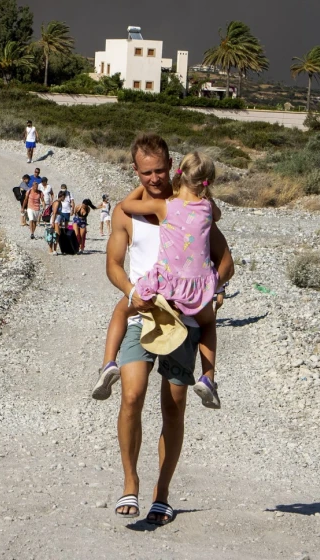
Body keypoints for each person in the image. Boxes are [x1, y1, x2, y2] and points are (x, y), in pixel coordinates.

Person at [102, 134, 233, 524]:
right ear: (136, 171)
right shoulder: (128, 213)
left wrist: (214, 290)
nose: (155, 178)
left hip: (185, 321)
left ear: (171, 164)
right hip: (142, 313)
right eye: (147, 172)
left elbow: (225, 260)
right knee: (131, 397)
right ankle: (130, 483)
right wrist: (130, 292)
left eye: (161, 170)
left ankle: (162, 493)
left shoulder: (191, 205)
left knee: (173, 408)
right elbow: (113, 265)